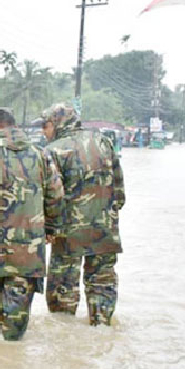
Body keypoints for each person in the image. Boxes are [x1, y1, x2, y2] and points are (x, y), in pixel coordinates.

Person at [0, 109, 63, 341]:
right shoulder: (41, 154)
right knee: (13, 333)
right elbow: (56, 196)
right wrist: (51, 228)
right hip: (29, 252)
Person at [41, 103, 125, 326]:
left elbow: (52, 195)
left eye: (45, 125)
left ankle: (65, 341)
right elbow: (119, 187)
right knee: (102, 282)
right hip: (105, 229)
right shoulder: (103, 141)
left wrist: (49, 228)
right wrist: (110, 215)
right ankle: (100, 327)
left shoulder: (53, 150)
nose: (43, 131)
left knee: (62, 289)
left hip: (69, 233)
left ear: (58, 123)